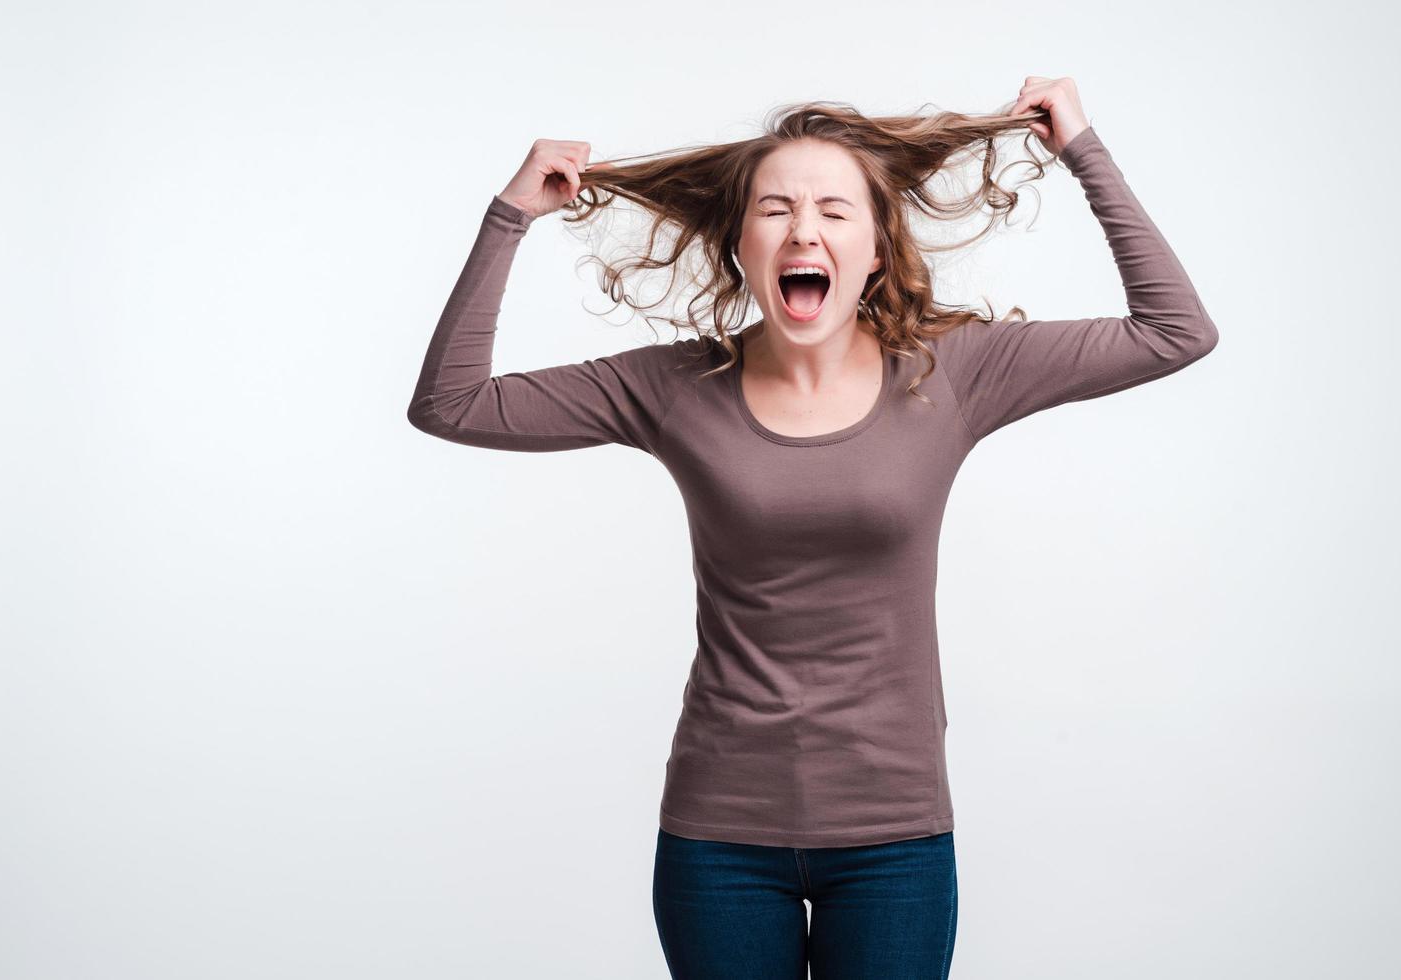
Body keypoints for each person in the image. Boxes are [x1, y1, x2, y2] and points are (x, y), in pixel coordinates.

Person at [407, 78, 1218, 980]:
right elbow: (450, 405)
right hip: (718, 842)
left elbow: (1174, 330)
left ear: (874, 249)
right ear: (740, 243)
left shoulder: (950, 373)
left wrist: (1081, 149)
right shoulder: (674, 386)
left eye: (834, 210)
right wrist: (510, 215)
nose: (804, 231)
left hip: (894, 841)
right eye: (775, 209)